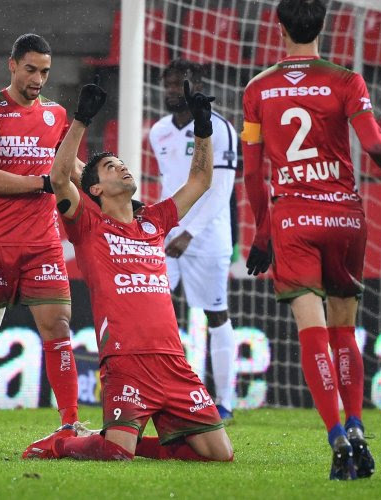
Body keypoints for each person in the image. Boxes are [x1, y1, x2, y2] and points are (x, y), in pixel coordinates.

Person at [21, 79, 234, 462]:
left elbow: (201, 181)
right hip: (126, 361)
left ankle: (138, 445)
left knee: (219, 455)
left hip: (173, 360)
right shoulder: (87, 224)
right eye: (109, 166)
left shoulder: (154, 220)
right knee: (116, 454)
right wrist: (82, 120)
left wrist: (204, 128)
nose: (121, 166)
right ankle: (60, 444)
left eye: (121, 162)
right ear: (97, 191)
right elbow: (59, 177)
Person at [241, 0, 381, 480]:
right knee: (344, 330)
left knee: (311, 331)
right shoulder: (347, 79)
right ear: (324, 24)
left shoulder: (258, 89)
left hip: (293, 217)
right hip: (344, 217)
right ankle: (356, 426)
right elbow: (371, 139)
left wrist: (262, 229)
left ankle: (336, 437)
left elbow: (253, 172)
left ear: (278, 26)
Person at [0, 33, 85, 451]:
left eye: (45, 71)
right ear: (11, 65)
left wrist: (113, 192)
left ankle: (70, 422)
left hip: (43, 242)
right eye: (31, 69)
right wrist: (45, 182)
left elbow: (71, 166)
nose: (38, 79)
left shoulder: (56, 114)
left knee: (59, 327)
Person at [149, 59, 239, 420]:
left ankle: (226, 402)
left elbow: (221, 191)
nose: (172, 90)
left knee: (216, 314)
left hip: (207, 237)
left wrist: (189, 232)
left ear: (196, 84)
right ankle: (164, 391)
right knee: (155, 311)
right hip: (167, 236)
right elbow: (167, 185)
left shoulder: (220, 129)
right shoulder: (158, 132)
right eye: (167, 84)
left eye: (178, 84)